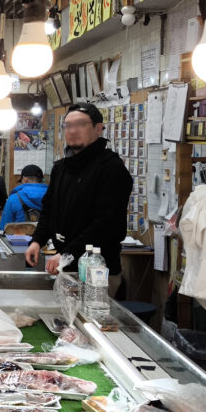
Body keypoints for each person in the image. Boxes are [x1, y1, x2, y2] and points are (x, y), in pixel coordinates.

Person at [25, 102, 133, 295]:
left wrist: (67, 254)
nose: (73, 130)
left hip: (97, 273)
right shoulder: (61, 168)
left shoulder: (111, 168)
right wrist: (36, 240)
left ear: (98, 128)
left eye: (81, 124)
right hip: (64, 270)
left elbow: (107, 224)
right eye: (68, 125)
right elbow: (48, 210)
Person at [0, 164, 48, 229]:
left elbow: (4, 228)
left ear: (25, 179)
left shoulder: (14, 199)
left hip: (19, 238)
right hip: (46, 238)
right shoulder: (53, 197)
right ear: (41, 180)